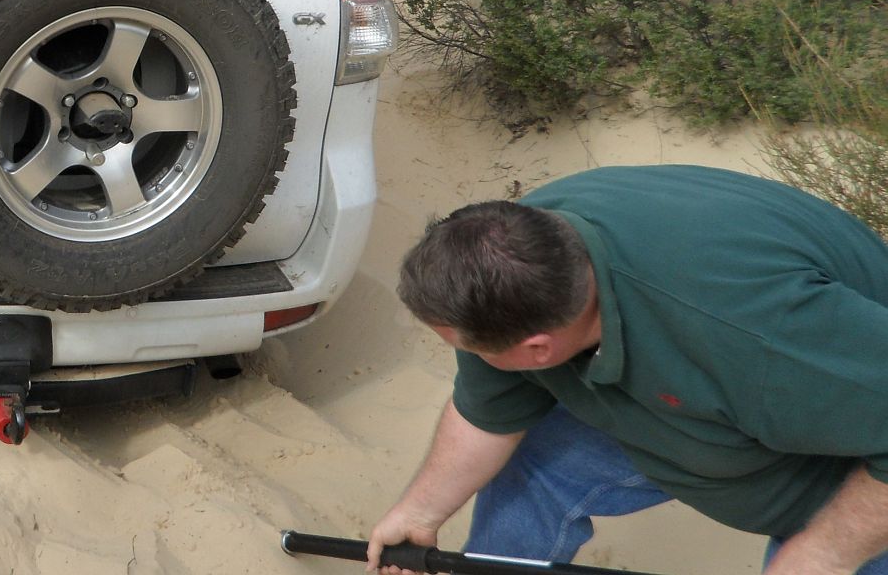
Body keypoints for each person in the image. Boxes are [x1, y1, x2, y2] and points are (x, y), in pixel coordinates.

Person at [369, 165, 888, 575]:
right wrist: (419, 513)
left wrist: (826, 554)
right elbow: (488, 413)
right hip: (712, 404)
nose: (469, 358)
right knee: (537, 467)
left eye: (469, 349)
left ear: (538, 349)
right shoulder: (512, 258)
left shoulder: (754, 331)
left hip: (849, 455)